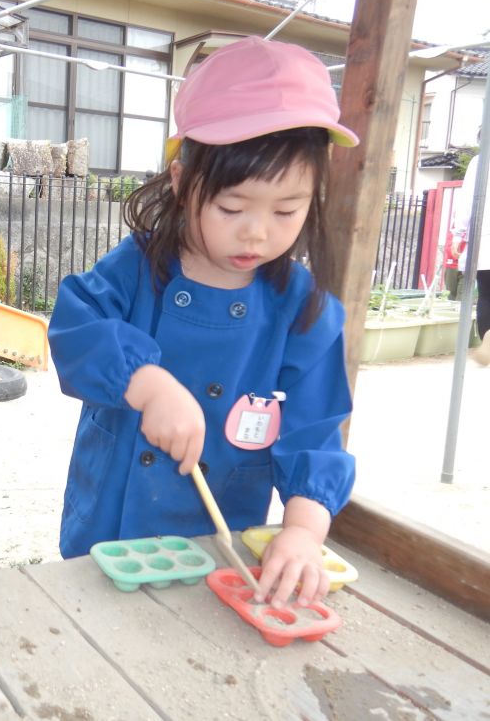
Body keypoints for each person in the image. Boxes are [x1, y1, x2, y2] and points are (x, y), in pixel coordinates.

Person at [48, 37, 357, 610]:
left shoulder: (303, 308)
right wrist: (149, 383)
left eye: (287, 210)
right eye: (233, 208)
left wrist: (303, 532)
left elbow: (315, 432)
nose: (258, 233)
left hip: (221, 541)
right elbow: (75, 327)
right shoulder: (139, 269)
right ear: (183, 181)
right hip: (111, 530)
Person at [450, 146, 490, 364]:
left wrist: (458, 234)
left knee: (486, 295)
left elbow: (467, 201)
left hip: (484, 238)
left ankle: (488, 338)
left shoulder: (480, 162)